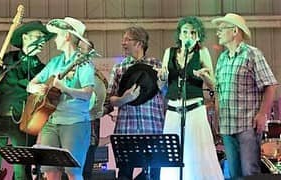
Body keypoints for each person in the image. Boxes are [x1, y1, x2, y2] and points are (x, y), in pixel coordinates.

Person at [0, 21, 53, 180]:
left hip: (22, 123)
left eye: (44, 39)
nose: (42, 42)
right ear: (25, 37)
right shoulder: (7, 59)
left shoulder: (42, 69)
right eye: (38, 37)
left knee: (21, 173)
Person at [26, 17, 95, 180]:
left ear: (67, 36)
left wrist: (65, 88)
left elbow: (87, 94)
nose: (55, 39)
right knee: (49, 171)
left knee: (73, 171)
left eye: (58, 35)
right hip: (51, 121)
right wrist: (39, 88)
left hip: (75, 122)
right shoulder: (54, 62)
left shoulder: (84, 63)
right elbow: (31, 84)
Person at [212, 13, 278, 178]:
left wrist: (262, 114)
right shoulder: (222, 59)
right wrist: (217, 118)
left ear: (234, 31)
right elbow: (219, 90)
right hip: (227, 125)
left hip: (247, 125)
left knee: (250, 174)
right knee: (234, 174)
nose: (218, 33)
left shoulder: (252, 54)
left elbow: (270, 85)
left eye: (221, 29)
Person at [158, 16, 224, 180]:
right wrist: (161, 76)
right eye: (185, 32)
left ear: (198, 35)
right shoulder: (169, 52)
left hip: (194, 109)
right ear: (179, 35)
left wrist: (205, 76)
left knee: (197, 152)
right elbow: (161, 83)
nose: (189, 36)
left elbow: (214, 86)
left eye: (193, 33)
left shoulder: (202, 52)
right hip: (173, 110)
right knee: (172, 154)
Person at [107, 26, 165, 180]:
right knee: (125, 174)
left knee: (154, 174)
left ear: (139, 43)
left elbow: (167, 95)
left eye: (127, 39)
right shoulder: (119, 67)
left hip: (152, 127)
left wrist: (162, 84)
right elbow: (110, 98)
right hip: (127, 129)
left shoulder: (157, 65)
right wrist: (123, 99)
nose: (123, 43)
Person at [78, 40, 113, 180]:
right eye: (79, 49)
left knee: (85, 172)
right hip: (66, 129)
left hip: (90, 131)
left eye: (84, 50)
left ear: (91, 53)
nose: (80, 53)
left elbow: (109, 103)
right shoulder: (65, 72)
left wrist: (100, 111)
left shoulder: (99, 78)